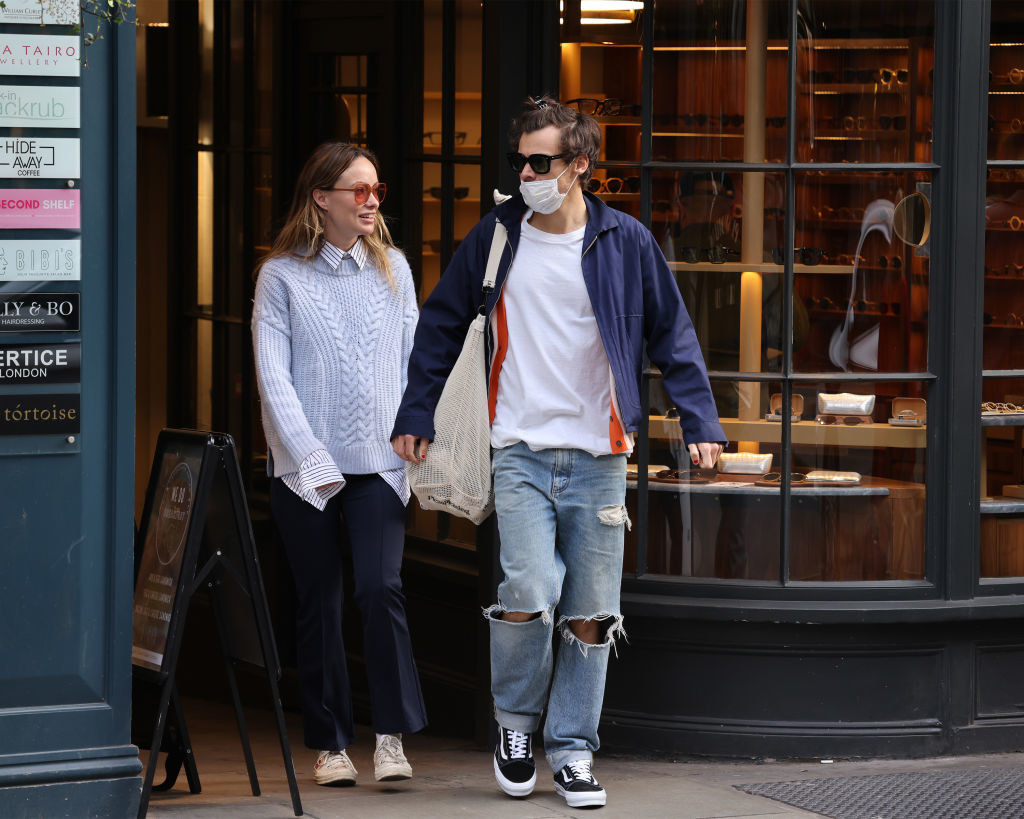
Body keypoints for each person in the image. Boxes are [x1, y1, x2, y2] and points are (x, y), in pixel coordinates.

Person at [392, 97, 725, 808]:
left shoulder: (625, 241)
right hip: (518, 450)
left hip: (600, 454)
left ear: (580, 166)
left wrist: (700, 421)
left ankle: (572, 749)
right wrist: (415, 410)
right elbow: (440, 325)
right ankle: (515, 725)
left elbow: (673, 334)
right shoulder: (496, 238)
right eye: (519, 161)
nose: (525, 174)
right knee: (527, 596)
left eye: (540, 162)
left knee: (591, 612)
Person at [252, 140, 426, 787]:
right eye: (358, 189)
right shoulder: (281, 277)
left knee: (380, 589)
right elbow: (274, 378)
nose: (372, 199)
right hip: (304, 472)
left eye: (376, 188)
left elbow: (415, 362)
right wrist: (312, 457)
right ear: (320, 198)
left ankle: (389, 734)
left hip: (380, 465)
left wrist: (416, 427)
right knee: (319, 601)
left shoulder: (395, 271)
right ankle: (330, 743)